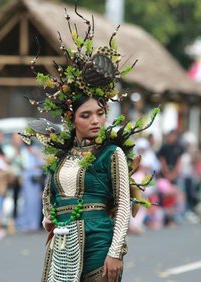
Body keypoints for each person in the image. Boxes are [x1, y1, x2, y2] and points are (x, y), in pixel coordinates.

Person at [23, 10, 158, 281]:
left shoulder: (112, 153)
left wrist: (116, 252)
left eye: (99, 113)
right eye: (86, 116)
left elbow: (122, 204)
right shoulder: (60, 156)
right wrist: (47, 220)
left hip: (99, 244)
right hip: (62, 246)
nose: (95, 121)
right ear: (71, 120)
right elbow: (49, 198)